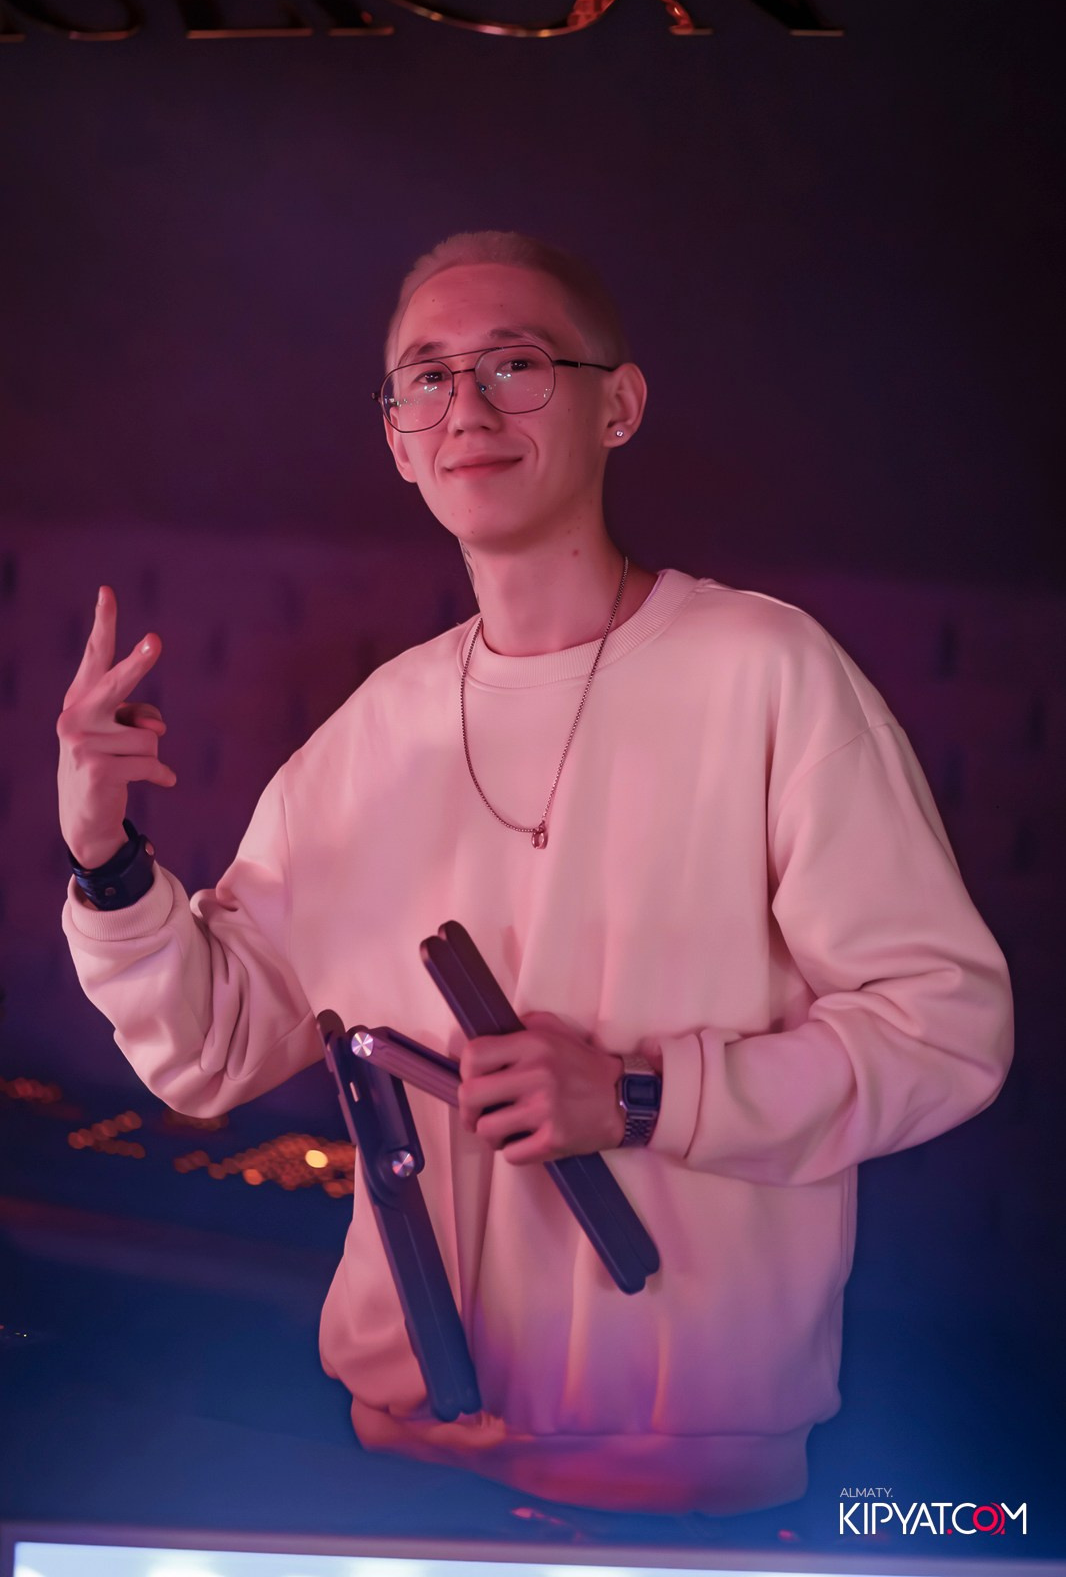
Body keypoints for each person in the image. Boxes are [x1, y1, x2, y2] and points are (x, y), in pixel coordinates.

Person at [57, 230, 1014, 1518]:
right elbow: (212, 1048)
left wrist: (639, 1098)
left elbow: (944, 1029)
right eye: (429, 378)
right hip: (397, 1466)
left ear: (619, 404)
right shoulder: (372, 735)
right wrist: (106, 858)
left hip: (680, 1482)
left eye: (515, 364)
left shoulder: (766, 674)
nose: (467, 408)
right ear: (398, 440)